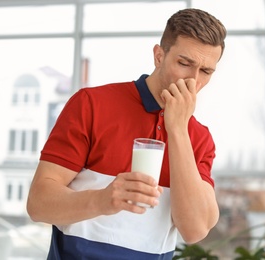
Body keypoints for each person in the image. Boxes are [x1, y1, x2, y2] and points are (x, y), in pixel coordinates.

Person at [27, 7, 226, 260]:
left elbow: (195, 230)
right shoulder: (91, 105)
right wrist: (102, 200)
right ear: (159, 55)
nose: (193, 81)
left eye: (206, 71)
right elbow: (38, 204)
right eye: (184, 63)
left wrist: (177, 130)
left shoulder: (198, 138)